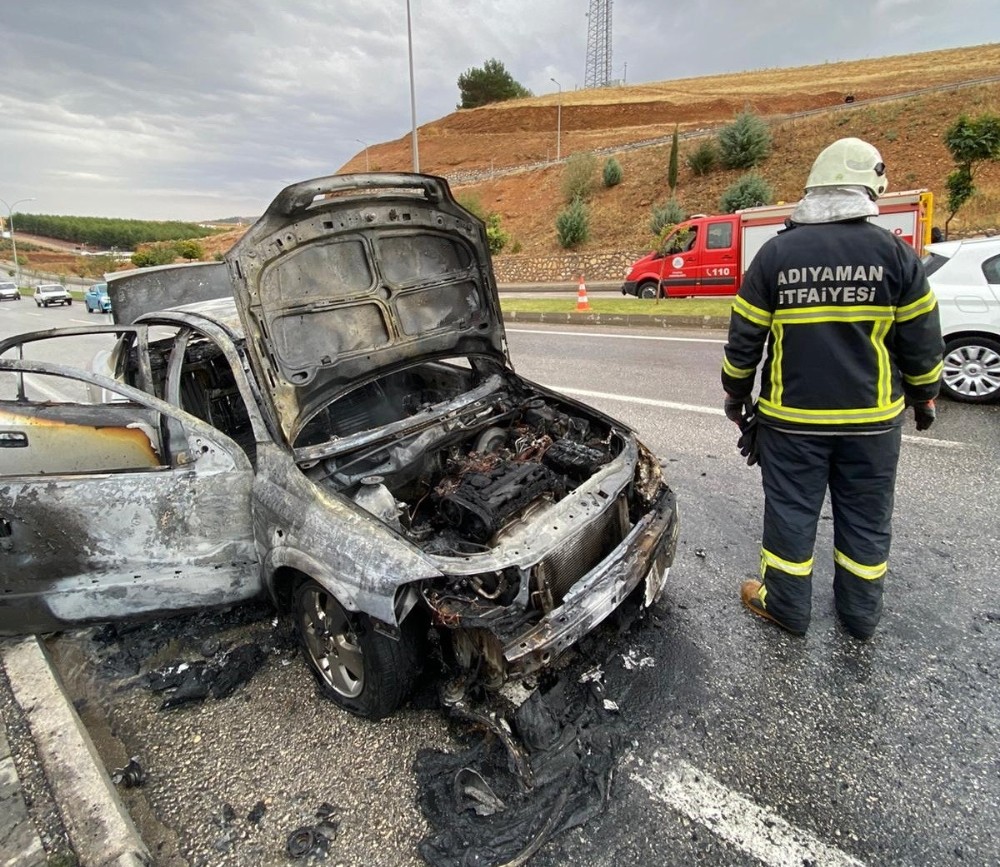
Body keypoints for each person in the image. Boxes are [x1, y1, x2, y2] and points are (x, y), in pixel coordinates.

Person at [721, 137, 943, 640]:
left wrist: (736, 398)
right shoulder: (895, 255)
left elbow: (744, 342)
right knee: (867, 517)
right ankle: (860, 615)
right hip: (873, 423)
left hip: (792, 423)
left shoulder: (776, 255)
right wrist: (924, 395)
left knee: (792, 514)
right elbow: (922, 339)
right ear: (868, 189)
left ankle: (787, 607)